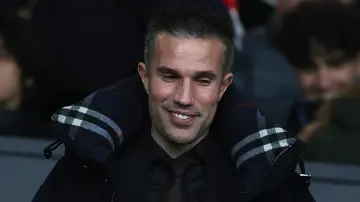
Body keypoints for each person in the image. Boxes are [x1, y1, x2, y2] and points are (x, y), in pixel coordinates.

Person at [34, 3, 314, 202]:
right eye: (170, 76)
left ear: (223, 86)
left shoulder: (268, 175)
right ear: (144, 77)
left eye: (203, 80)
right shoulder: (88, 164)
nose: (183, 97)